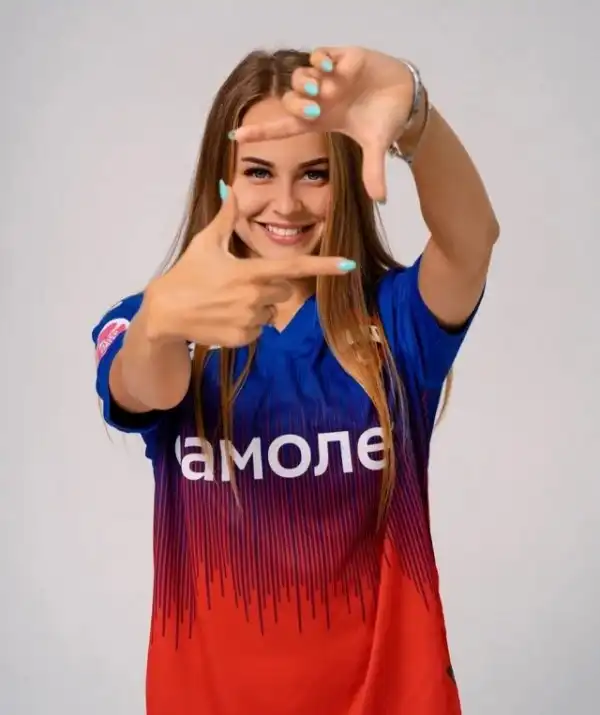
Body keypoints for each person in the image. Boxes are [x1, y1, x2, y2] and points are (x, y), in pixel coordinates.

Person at [92, 45, 499, 715]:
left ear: (346, 181)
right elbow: (144, 388)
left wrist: (416, 118)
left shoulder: (395, 320)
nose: (285, 203)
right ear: (220, 181)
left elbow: (472, 242)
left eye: (314, 173)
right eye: (258, 171)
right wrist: (160, 322)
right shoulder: (157, 322)